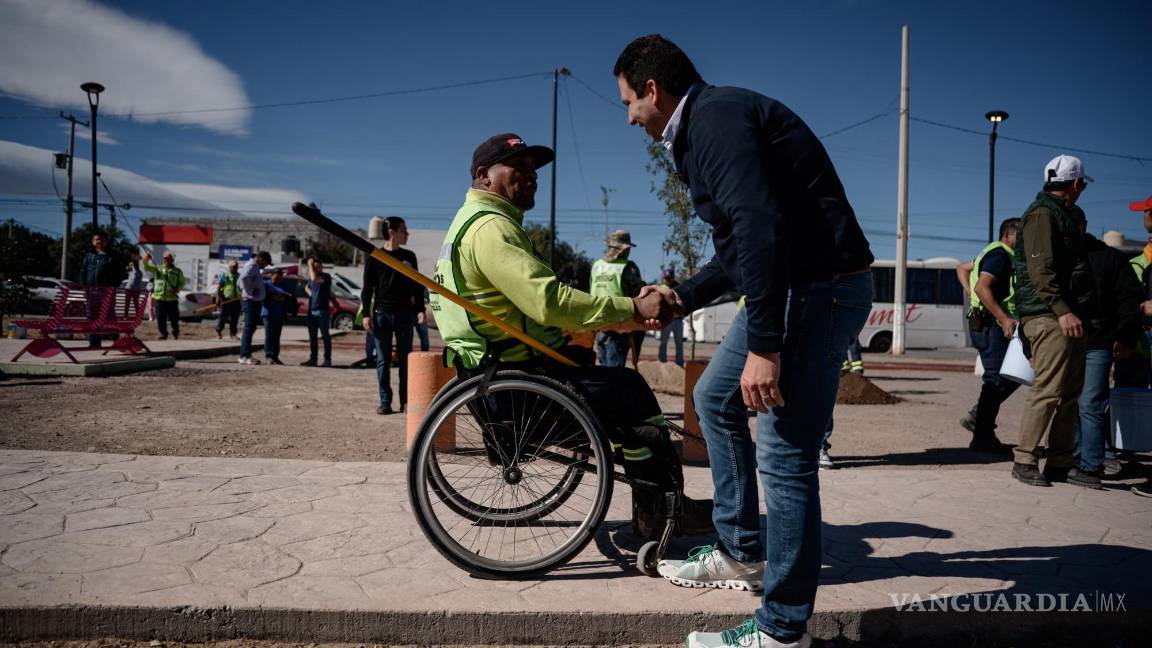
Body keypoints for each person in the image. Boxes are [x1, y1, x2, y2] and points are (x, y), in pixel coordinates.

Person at [613, 35, 874, 648]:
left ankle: (783, 628)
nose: (629, 118)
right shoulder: (707, 125)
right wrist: (682, 295)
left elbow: (759, 229)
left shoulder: (716, 119)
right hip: (798, 286)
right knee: (715, 400)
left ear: (653, 89)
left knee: (785, 456)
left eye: (628, 103)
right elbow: (739, 247)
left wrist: (765, 346)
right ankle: (741, 552)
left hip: (819, 290)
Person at [431, 132, 711, 540]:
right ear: (483, 175)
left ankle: (655, 499)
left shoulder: (467, 224)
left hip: (494, 372)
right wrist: (632, 309)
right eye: (519, 167)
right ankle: (662, 512)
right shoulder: (492, 229)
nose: (532, 176)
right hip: (519, 385)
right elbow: (548, 301)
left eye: (534, 169)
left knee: (601, 375)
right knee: (630, 390)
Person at [1010, 155, 1092, 488]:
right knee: (1048, 390)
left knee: (1069, 394)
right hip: (1050, 315)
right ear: (1076, 184)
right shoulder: (1042, 214)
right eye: (1082, 185)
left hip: (1067, 315)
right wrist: (1062, 309)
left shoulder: (1062, 214)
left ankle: (1060, 462)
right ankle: (1025, 460)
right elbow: (1040, 269)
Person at [1072, 208, 1144, 489]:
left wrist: (1126, 337)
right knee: (1069, 403)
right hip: (1065, 342)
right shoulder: (1057, 256)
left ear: (1083, 225)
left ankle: (1090, 465)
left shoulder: (1110, 258)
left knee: (1090, 403)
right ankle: (1073, 460)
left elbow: (1130, 300)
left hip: (1098, 341)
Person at [961, 218, 1022, 454]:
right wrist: (1004, 318)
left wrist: (971, 294)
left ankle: (980, 422)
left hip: (987, 323)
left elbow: (962, 269)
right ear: (1006, 236)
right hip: (989, 325)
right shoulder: (1000, 255)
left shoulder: (996, 253)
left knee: (1012, 375)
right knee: (997, 378)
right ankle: (982, 435)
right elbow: (982, 286)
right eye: (1020, 236)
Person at [361, 216, 423, 415]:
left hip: (405, 315)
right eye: (404, 230)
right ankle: (385, 402)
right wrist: (366, 314)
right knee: (382, 360)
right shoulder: (375, 256)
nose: (407, 234)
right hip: (382, 315)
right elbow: (367, 288)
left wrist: (420, 309)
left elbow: (417, 284)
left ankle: (405, 402)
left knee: (406, 361)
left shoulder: (409, 256)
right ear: (392, 232)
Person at [590, 230, 644, 367]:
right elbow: (638, 295)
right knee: (615, 371)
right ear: (624, 250)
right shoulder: (628, 267)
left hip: (599, 324)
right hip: (619, 325)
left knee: (604, 368)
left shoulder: (597, 266)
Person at [79, 231, 125, 348]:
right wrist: (84, 287)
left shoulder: (112, 256)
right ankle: (94, 343)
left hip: (106, 291)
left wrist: (113, 286)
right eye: (96, 239)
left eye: (102, 239)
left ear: (106, 241)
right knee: (92, 316)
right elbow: (83, 272)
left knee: (109, 316)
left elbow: (119, 273)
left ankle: (116, 340)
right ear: (93, 242)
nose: (99, 241)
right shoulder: (89, 256)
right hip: (91, 290)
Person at [238, 250, 272, 365]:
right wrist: (250, 290)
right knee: (249, 328)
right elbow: (243, 278)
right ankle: (244, 355)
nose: (265, 266)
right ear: (261, 259)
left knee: (250, 328)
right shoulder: (252, 265)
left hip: (252, 301)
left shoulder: (254, 266)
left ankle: (245, 354)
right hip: (251, 301)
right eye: (266, 263)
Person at [142, 251, 185, 340]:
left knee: (174, 318)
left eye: (168, 259)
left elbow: (182, 282)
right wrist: (146, 259)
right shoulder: (158, 269)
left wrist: (177, 289)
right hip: (160, 298)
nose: (166, 260)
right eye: (165, 259)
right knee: (160, 318)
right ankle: (163, 334)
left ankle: (175, 333)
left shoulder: (177, 271)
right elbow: (147, 267)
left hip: (172, 299)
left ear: (172, 260)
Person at [302, 257, 334, 367]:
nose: (316, 269)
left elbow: (315, 278)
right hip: (312, 311)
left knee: (325, 336)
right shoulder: (312, 278)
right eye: (315, 267)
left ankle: (327, 359)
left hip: (322, 311)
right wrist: (311, 293)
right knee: (312, 337)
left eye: (318, 267)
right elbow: (307, 287)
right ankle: (313, 359)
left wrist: (310, 265)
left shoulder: (326, 276)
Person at [261, 269, 292, 365]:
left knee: (276, 336)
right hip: (268, 313)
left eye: (281, 275)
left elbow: (287, 297)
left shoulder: (283, 285)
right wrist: (276, 297)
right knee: (269, 335)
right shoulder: (266, 284)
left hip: (279, 314)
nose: (280, 276)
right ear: (272, 275)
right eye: (278, 274)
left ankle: (275, 356)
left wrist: (278, 297)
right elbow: (264, 297)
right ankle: (269, 356)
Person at [657, 268, 685, 366]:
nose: (667, 280)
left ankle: (679, 362)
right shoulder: (662, 288)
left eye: (669, 278)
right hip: (666, 319)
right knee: (663, 341)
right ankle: (662, 361)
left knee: (679, 343)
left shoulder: (679, 287)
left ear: (673, 277)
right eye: (666, 278)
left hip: (677, 320)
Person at [215, 259, 242, 340]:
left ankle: (233, 334)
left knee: (235, 318)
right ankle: (219, 331)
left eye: (236, 266)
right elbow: (219, 288)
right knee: (223, 316)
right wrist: (218, 298)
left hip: (236, 299)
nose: (235, 267)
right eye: (234, 266)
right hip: (226, 299)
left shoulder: (239, 276)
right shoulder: (225, 275)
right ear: (230, 267)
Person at [414, 287, 431, 352]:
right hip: (407, 312)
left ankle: (425, 351)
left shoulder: (422, 286)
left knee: (423, 334)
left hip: (419, 312)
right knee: (405, 336)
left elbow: (426, 300)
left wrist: (421, 310)